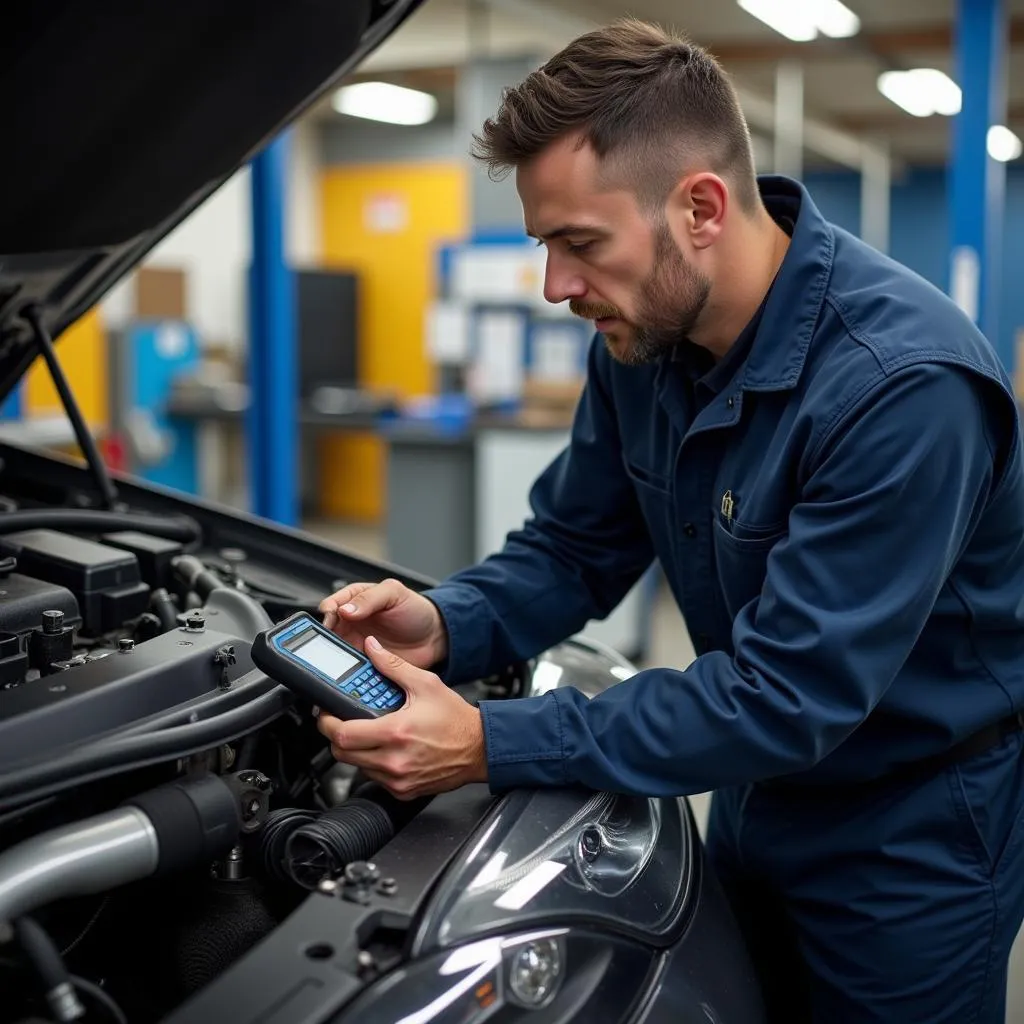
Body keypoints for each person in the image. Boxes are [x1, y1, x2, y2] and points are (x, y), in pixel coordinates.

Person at [316, 18, 1024, 1024]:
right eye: (544, 245)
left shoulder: (900, 388)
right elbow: (574, 545)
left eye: (579, 243)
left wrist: (489, 739)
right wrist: (447, 621)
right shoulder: (643, 342)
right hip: (752, 795)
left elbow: (786, 694)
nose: (555, 285)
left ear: (699, 207)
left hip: (909, 838)